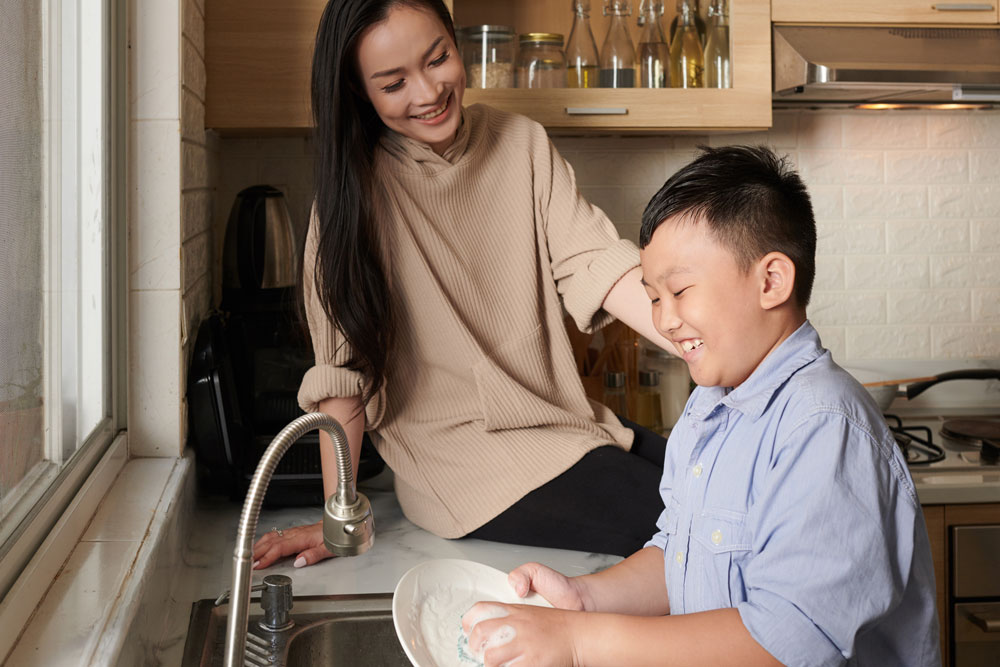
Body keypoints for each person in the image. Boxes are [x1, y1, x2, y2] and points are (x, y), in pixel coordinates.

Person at [462, 146, 941, 666]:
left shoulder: (822, 427)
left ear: (772, 281)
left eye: (680, 291)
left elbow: (789, 641)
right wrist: (584, 600)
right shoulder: (707, 409)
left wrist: (580, 644)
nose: (664, 321)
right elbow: (680, 557)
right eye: (652, 297)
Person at [252, 0, 676, 570]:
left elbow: (599, 264)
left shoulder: (520, 143)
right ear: (360, 93)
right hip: (469, 470)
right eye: (394, 82)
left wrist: (710, 341)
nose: (427, 92)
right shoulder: (351, 201)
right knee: (708, 522)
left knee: (739, 480)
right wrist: (340, 517)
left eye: (437, 59)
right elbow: (341, 379)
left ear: (457, 43)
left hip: (567, 428)